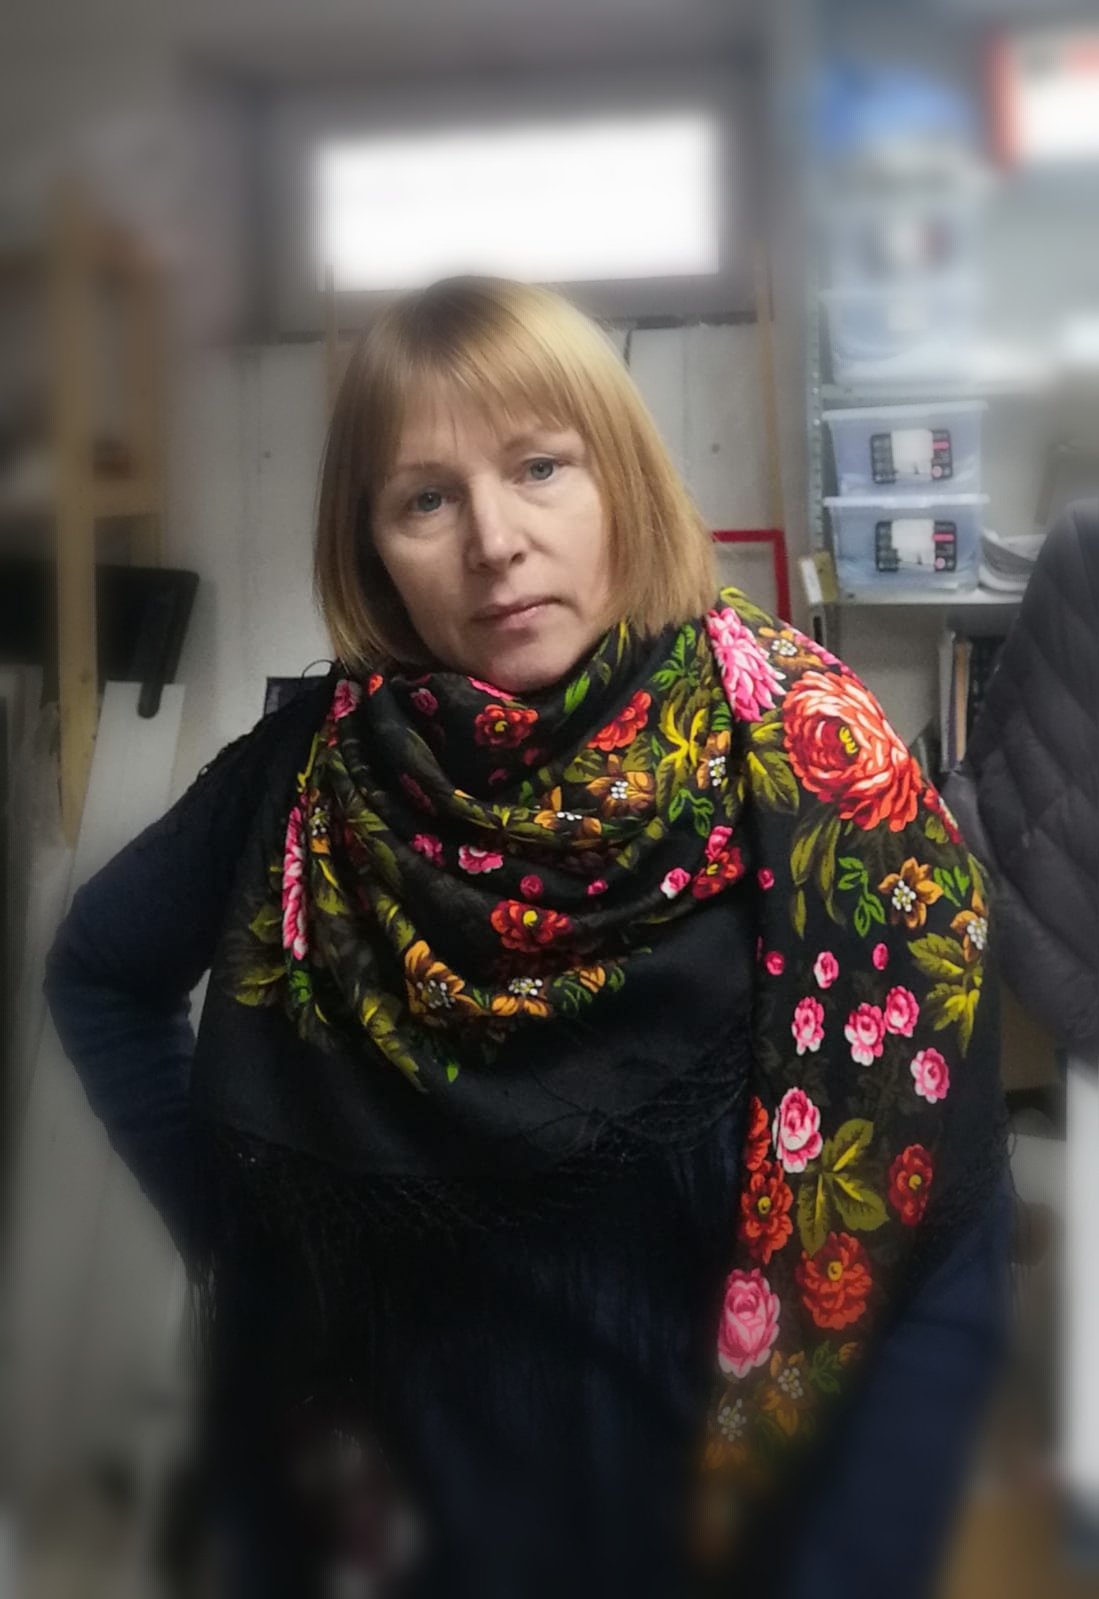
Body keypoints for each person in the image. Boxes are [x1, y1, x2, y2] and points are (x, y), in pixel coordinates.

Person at [43, 276, 1011, 1599]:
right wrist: (239, 1227)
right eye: (425, 499)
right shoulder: (305, 779)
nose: (495, 540)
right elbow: (100, 971)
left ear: (620, 480)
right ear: (370, 546)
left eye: (541, 467)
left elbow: (936, 1243)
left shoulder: (822, 778)